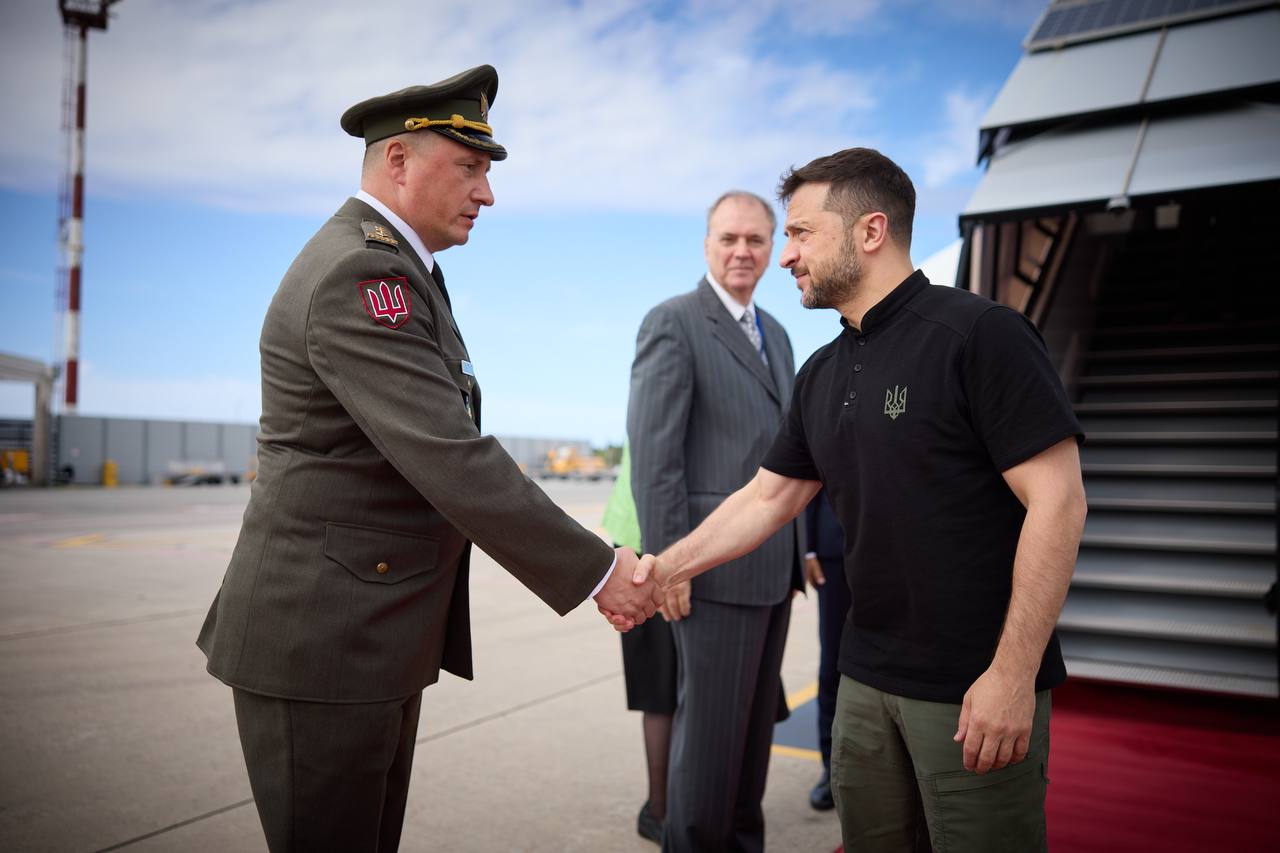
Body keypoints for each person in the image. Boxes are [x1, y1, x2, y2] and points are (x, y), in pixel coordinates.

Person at [195, 65, 662, 853]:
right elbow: (450, 455)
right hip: (326, 646)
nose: (487, 194)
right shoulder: (362, 271)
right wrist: (598, 569)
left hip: (366, 636)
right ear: (400, 162)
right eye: (471, 168)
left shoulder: (403, 270)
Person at [636, 147, 1086, 853]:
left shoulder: (980, 335)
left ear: (870, 231)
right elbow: (768, 496)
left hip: (971, 690)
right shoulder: (821, 370)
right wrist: (668, 565)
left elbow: (1059, 502)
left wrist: (1013, 674)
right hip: (865, 681)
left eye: (801, 233)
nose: (784, 256)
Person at [627, 191, 805, 853]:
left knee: (752, 743)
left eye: (756, 240)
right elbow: (655, 458)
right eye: (729, 238)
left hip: (771, 570)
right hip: (711, 574)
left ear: (772, 247)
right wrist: (673, 565)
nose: (742, 251)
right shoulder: (673, 323)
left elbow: (788, 457)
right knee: (706, 751)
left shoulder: (779, 336)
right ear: (706, 243)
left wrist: (801, 549)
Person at [602, 443, 669, 844]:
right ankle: (659, 810)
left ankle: (663, 807)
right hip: (649, 544)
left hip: (656, 539)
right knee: (661, 688)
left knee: (664, 687)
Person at [803, 487, 849, 811]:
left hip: (899, 544)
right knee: (833, 662)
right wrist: (806, 550)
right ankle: (832, 767)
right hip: (834, 549)